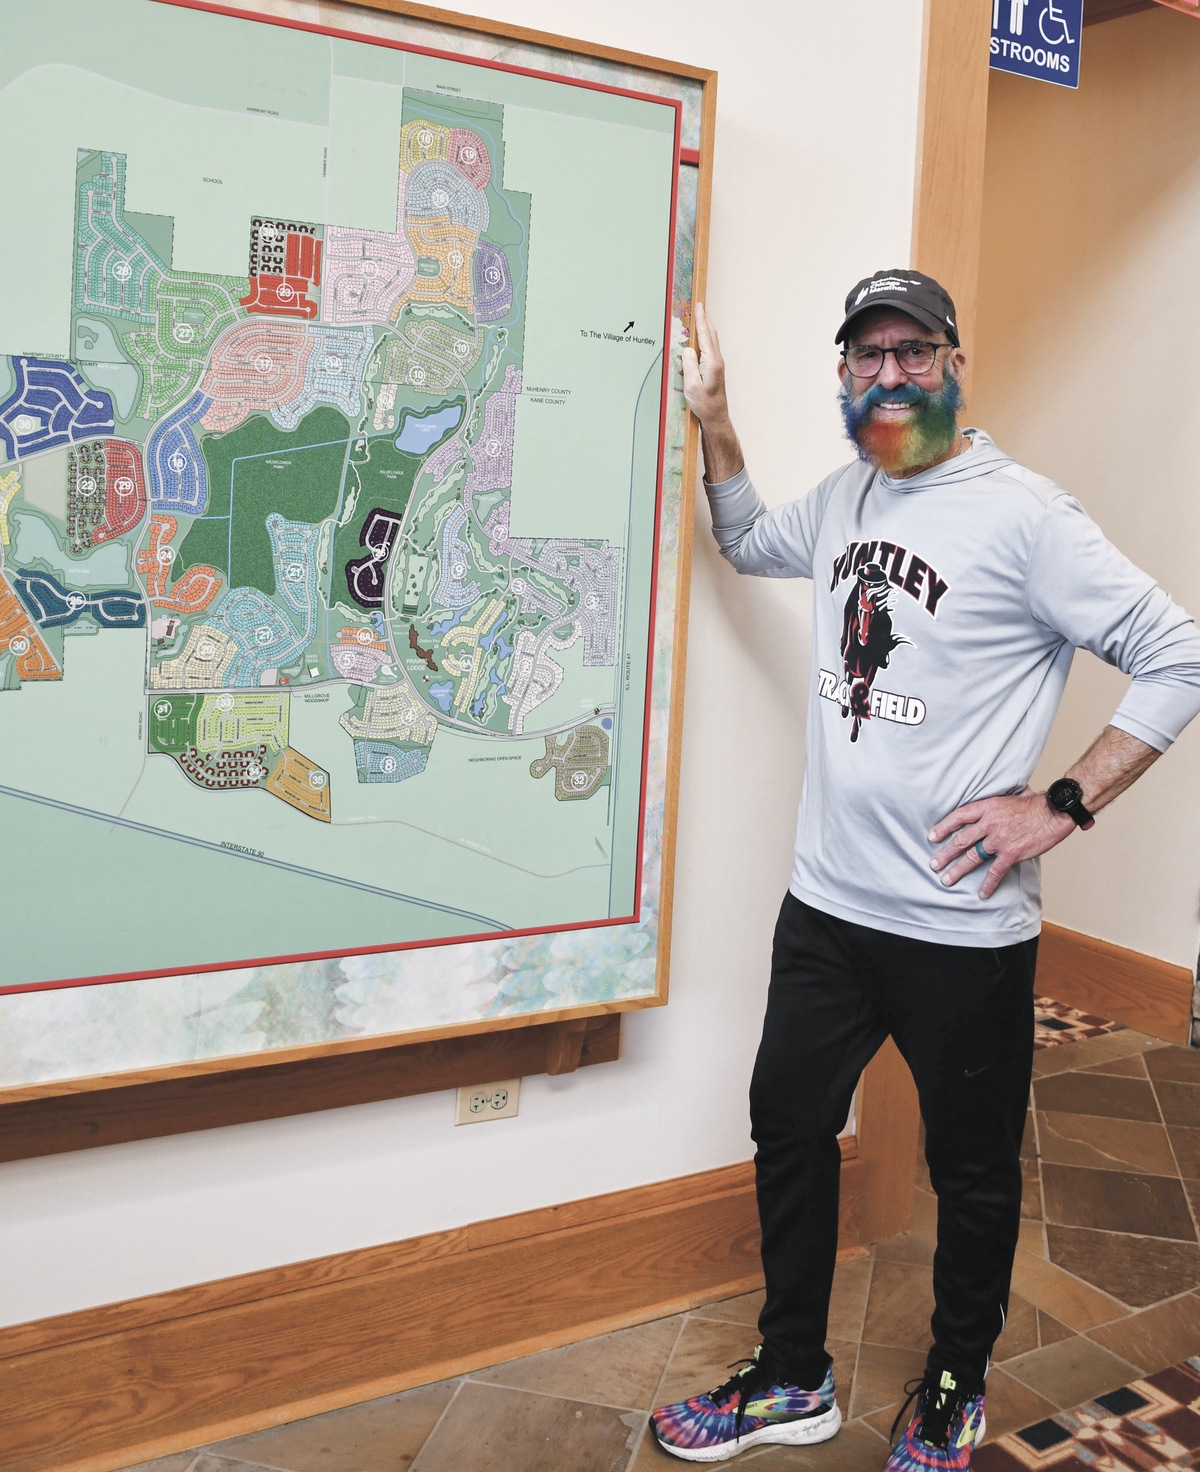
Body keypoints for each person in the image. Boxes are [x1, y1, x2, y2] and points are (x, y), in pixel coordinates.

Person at [647, 269, 1200, 1468]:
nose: (890, 375)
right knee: (787, 1124)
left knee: (971, 1170)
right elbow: (744, 540)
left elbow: (1179, 653)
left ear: (956, 362)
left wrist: (1062, 801)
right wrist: (719, 419)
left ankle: (954, 1379)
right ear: (844, 374)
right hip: (828, 910)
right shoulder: (848, 494)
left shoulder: (1025, 516)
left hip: (962, 929)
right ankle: (793, 1373)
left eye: (915, 351)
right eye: (867, 355)